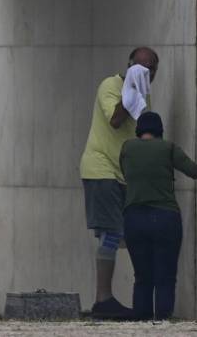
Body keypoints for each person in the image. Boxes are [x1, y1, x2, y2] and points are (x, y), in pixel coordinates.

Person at [78, 47, 159, 320]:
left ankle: (131, 298)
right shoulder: (111, 85)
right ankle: (103, 299)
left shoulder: (142, 93)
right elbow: (115, 119)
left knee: (129, 234)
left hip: (123, 173)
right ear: (129, 65)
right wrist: (130, 88)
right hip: (101, 170)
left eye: (151, 70)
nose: (146, 73)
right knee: (111, 233)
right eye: (140, 67)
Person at [120, 111, 197, 320]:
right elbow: (194, 171)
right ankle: (163, 320)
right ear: (159, 131)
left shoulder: (127, 148)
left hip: (134, 218)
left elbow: (125, 173)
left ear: (139, 131)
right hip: (165, 218)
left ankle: (141, 321)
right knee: (165, 276)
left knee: (142, 276)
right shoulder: (168, 148)